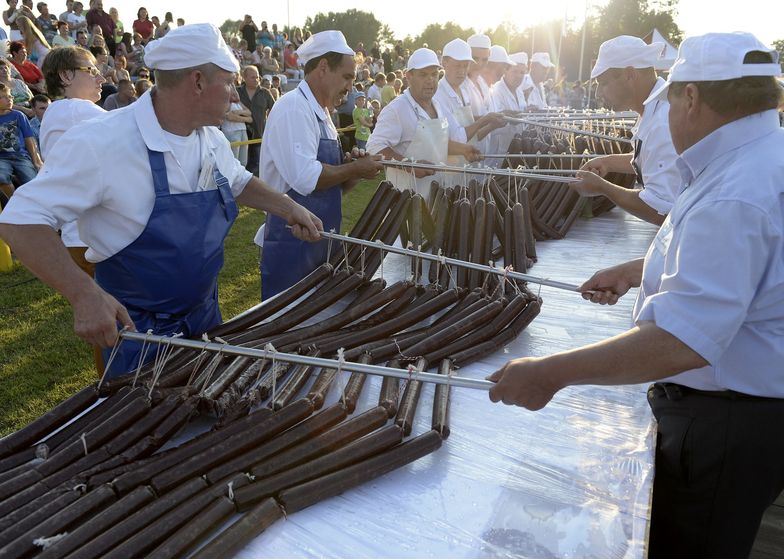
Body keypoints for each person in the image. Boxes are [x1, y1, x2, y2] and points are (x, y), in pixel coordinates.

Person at [488, 32, 784, 559]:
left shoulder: (735, 191)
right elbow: (743, 276)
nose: (667, 108)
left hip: (725, 421)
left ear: (691, 98)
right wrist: (639, 269)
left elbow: (680, 342)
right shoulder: (756, 158)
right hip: (745, 418)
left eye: (671, 95)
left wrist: (550, 372)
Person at [0, 23, 322, 378]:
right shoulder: (101, 142)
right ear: (197, 81)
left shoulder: (210, 138)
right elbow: (19, 219)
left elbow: (238, 181)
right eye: (228, 83)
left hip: (205, 318)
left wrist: (289, 207)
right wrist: (83, 293)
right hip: (139, 334)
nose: (234, 96)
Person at [255, 30, 384, 300]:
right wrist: (353, 169)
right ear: (324, 68)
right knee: (287, 324)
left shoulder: (323, 114)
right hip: (291, 243)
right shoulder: (294, 108)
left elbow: (330, 190)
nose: (351, 86)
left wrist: (352, 173)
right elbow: (306, 179)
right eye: (347, 76)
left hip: (320, 240)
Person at [568, 36, 681, 226]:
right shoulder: (654, 111)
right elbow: (654, 157)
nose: (598, 94)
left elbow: (660, 210)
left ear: (629, 74)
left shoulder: (662, 121)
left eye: (602, 84)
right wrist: (608, 162)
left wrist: (603, 187)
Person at [366, 47, 482, 195]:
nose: (430, 80)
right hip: (406, 197)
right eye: (423, 75)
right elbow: (374, 147)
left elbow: (435, 144)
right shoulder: (397, 109)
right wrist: (410, 165)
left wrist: (463, 150)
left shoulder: (438, 106)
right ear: (409, 76)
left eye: (434, 74)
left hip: (438, 195)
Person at [434, 38, 504, 159]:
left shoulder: (462, 91)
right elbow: (457, 137)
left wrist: (492, 124)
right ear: (444, 62)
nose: (461, 71)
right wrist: (484, 120)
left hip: (466, 168)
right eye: (457, 65)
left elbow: (472, 135)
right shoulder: (438, 96)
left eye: (465, 66)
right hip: (451, 171)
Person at [0, 82, 42, 201]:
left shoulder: (18, 115)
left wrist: (37, 161)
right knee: (1, 178)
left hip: (21, 156)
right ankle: (13, 207)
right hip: (1, 158)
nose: (10, 99)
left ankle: (35, 206)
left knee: (32, 180)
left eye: (10, 96)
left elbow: (29, 139)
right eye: (4, 97)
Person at [237, 64, 274, 175]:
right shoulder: (236, 92)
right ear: (245, 77)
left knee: (258, 168)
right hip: (240, 137)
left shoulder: (265, 93)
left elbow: (275, 110)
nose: (256, 79)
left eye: (257, 77)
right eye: (253, 77)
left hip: (259, 137)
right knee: (240, 167)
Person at [221, 82, 251, 167]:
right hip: (231, 132)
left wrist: (238, 113)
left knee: (243, 162)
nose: (234, 90)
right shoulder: (225, 101)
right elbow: (229, 117)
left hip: (242, 131)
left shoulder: (238, 102)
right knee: (234, 162)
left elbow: (250, 115)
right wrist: (243, 117)